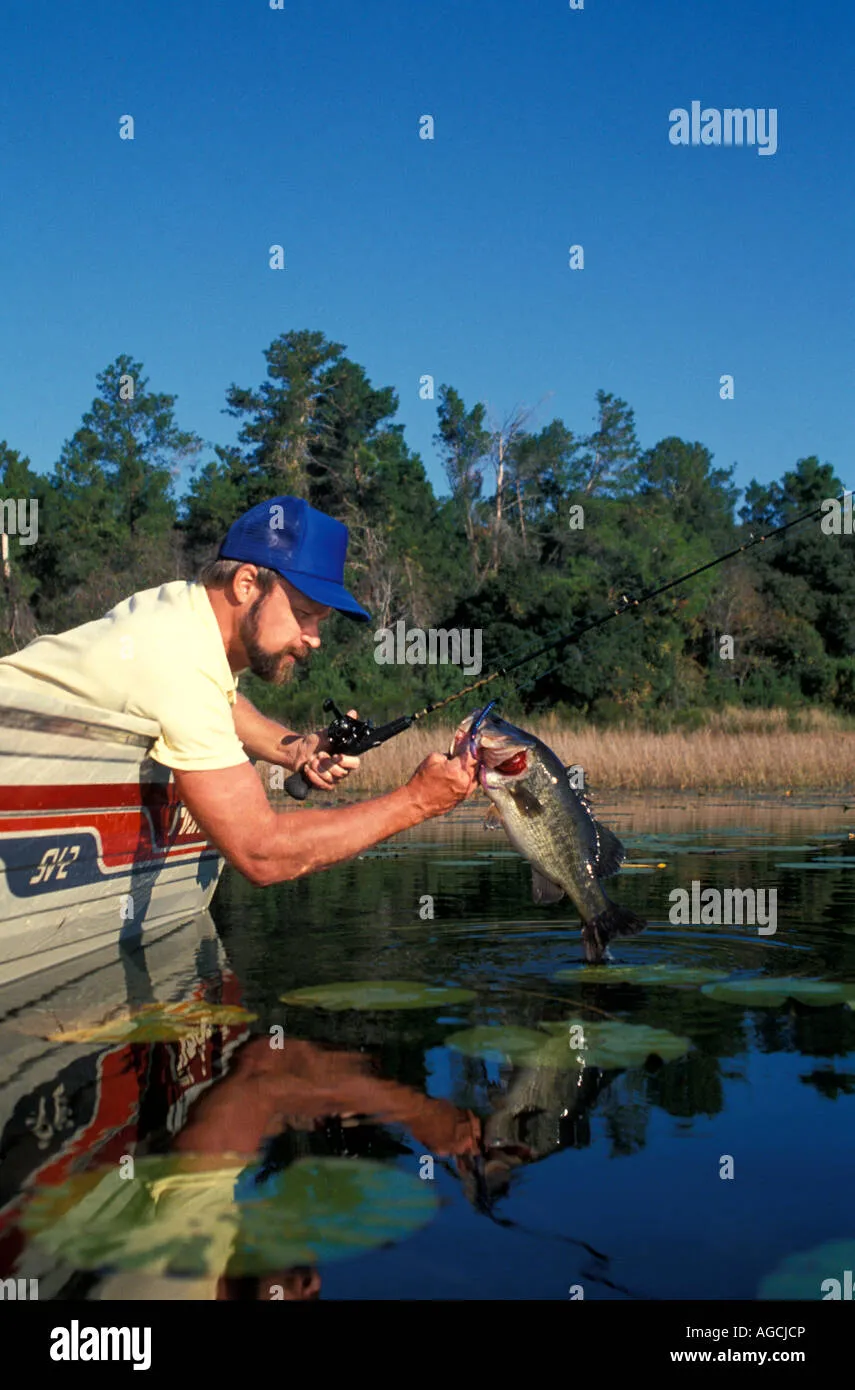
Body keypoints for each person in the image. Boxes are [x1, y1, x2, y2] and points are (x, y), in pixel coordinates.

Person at [0, 496, 479, 882]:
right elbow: (261, 853)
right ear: (247, 583)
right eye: (304, 613)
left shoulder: (181, 618)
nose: (313, 638)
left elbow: (219, 702)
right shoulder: (176, 658)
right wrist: (417, 801)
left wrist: (296, 750)